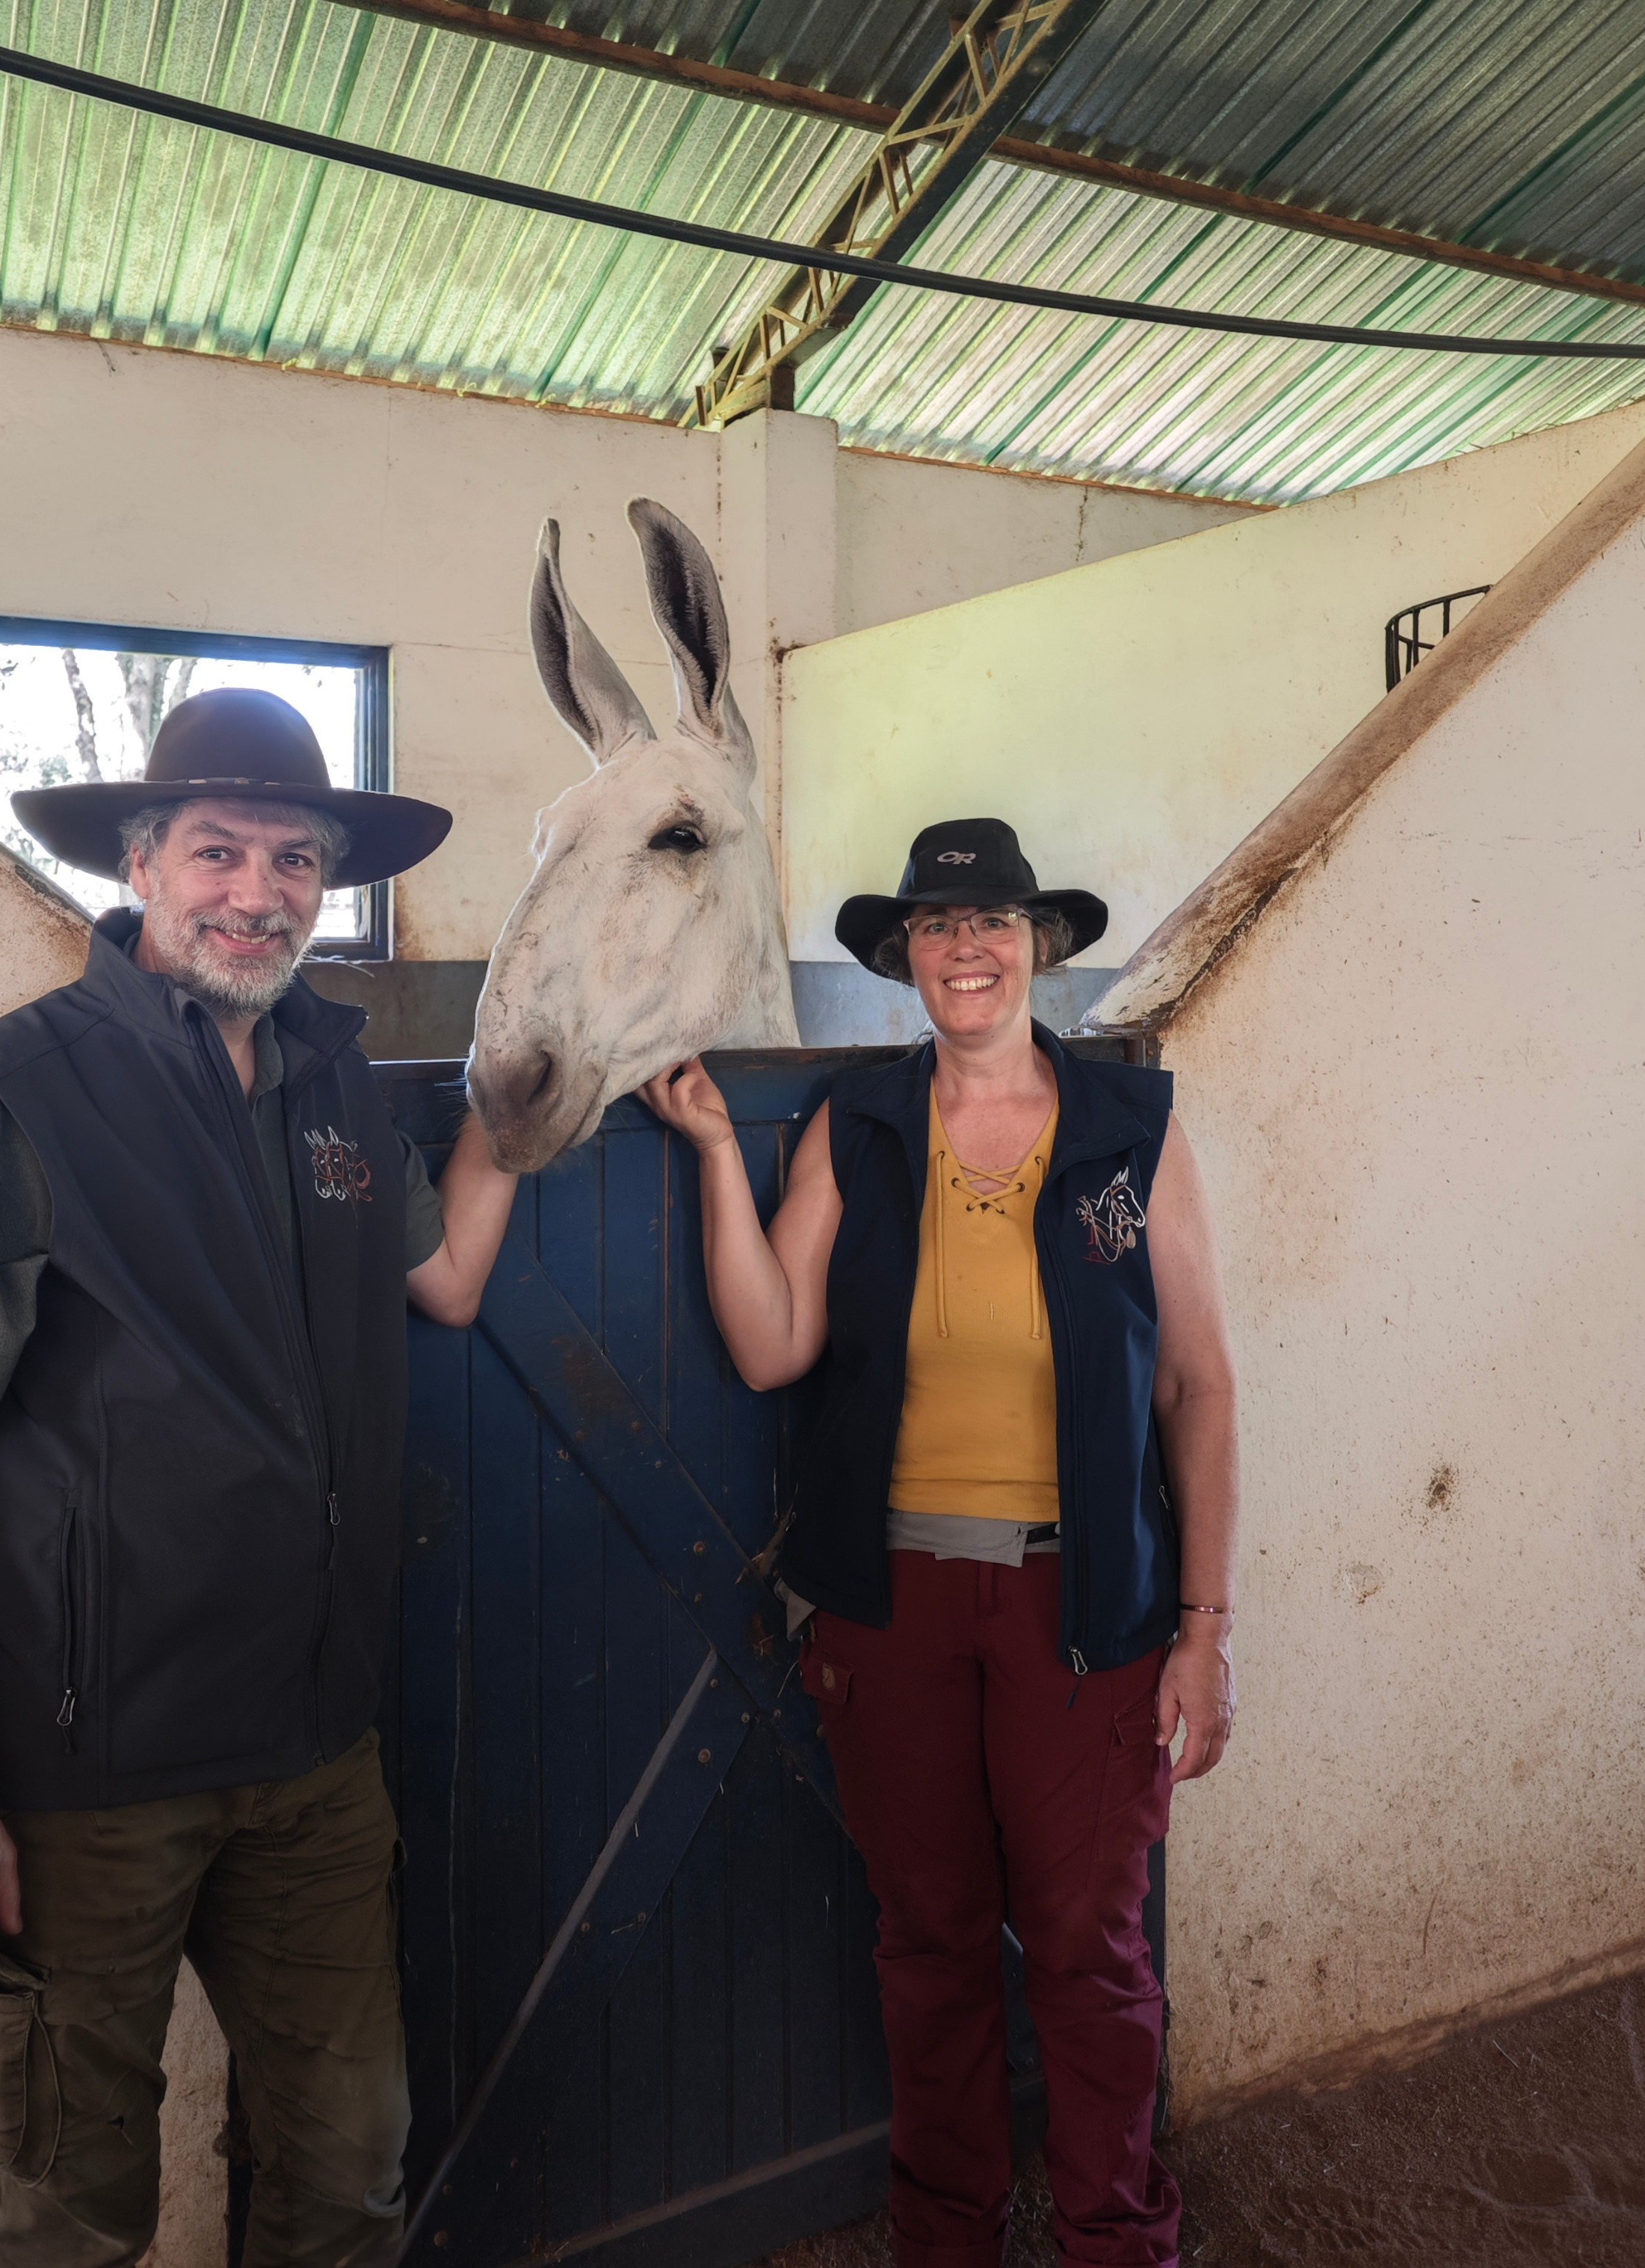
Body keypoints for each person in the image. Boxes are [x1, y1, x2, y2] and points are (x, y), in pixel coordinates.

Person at [0, 687, 519, 2268]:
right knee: (74, 2218)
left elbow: (445, 1278)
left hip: (314, 1760)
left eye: (296, 859)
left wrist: (529, 1089)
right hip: (88, 1785)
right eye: (218, 850)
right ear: (140, 863)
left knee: (350, 2175)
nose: (258, 891)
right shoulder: (5, 1094)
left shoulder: (338, 1086)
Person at [642, 818, 1238, 2268]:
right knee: (931, 1948)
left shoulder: (1130, 1128)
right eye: (936, 927)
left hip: (1087, 1606)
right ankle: (947, 2240)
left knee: (1090, 1952)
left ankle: (1117, 2240)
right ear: (905, 958)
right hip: (894, 1606)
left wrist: (1206, 1629)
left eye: (993, 924)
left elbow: (1196, 1384)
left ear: (1038, 945)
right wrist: (717, 1154)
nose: (966, 948)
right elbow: (773, 1345)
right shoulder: (859, 1124)